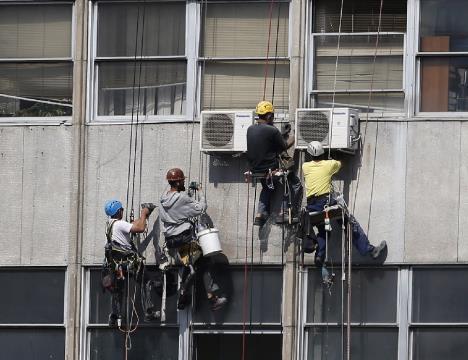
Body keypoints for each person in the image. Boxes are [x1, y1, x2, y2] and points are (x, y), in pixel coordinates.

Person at [302, 141, 387, 268]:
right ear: (322, 153)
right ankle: (370, 250)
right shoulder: (330, 164)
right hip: (325, 203)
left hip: (312, 207)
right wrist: (340, 155)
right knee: (349, 223)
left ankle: (320, 255)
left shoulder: (305, 167)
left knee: (323, 230)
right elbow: (342, 162)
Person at [159, 168, 227, 311]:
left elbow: (179, 211)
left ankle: (184, 299)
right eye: (182, 180)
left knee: (189, 267)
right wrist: (200, 191)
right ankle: (211, 299)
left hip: (172, 245)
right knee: (204, 263)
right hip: (185, 242)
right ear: (177, 182)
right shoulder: (182, 198)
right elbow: (201, 208)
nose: (184, 181)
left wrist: (188, 195)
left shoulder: (163, 200)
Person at [246, 100, 303, 226]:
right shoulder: (272, 130)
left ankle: (260, 214)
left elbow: (266, 144)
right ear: (268, 116)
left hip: (256, 169)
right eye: (272, 115)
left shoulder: (250, 129)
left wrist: (280, 134)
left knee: (267, 188)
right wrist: (295, 136)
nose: (273, 118)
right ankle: (283, 213)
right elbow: (283, 146)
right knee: (292, 182)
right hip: (271, 170)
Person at [103, 199, 156, 326]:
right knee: (146, 281)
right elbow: (141, 228)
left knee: (118, 291)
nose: (122, 211)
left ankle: (114, 316)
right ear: (119, 211)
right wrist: (144, 213)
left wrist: (142, 217)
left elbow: (131, 225)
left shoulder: (110, 224)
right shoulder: (120, 224)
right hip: (129, 263)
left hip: (117, 265)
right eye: (121, 210)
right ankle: (149, 312)